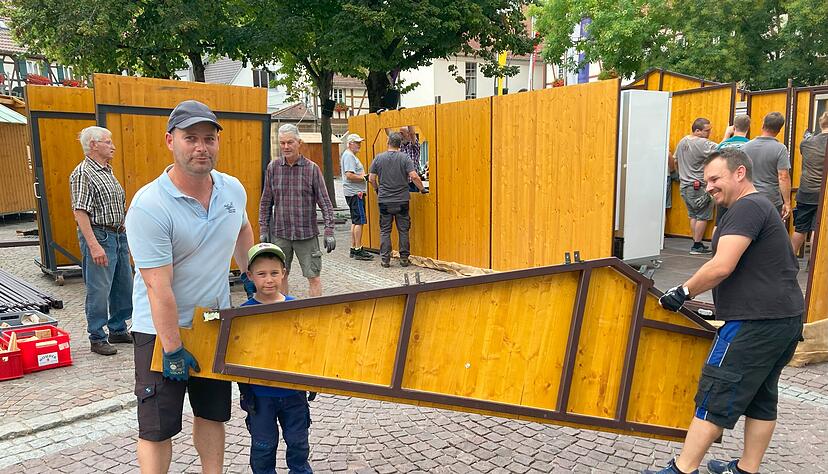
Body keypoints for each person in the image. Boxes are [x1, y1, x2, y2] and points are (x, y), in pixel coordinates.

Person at [645, 148, 804, 474]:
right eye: (706, 181)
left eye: (715, 179)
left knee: (716, 392)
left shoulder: (746, 207)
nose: (709, 187)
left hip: (754, 322)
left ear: (740, 173)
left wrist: (682, 292)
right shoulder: (762, 206)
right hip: (785, 319)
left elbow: (722, 265)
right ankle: (746, 469)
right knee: (762, 398)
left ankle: (682, 469)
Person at [126, 100, 254, 473]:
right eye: (191, 138)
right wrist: (172, 348)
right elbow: (158, 287)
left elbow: (243, 228)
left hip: (212, 321)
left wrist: (251, 276)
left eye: (209, 139)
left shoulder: (232, 189)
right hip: (159, 331)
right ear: (171, 141)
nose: (201, 147)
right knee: (158, 428)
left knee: (212, 414)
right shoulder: (150, 205)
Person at [237, 243, 312, 474]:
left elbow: (309, 345)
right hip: (260, 395)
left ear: (283, 273)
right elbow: (239, 353)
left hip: (293, 392)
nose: (268, 280)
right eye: (261, 274)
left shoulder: (296, 307)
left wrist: (314, 378)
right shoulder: (243, 313)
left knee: (298, 442)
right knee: (263, 446)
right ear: (250, 276)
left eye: (274, 273)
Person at [70, 126, 133, 356]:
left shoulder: (106, 171)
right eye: (108, 142)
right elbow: (80, 212)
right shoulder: (83, 173)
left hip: (118, 235)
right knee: (99, 289)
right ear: (93, 145)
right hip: (100, 236)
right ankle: (97, 337)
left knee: (123, 285)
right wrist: (94, 246)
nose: (113, 146)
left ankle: (118, 328)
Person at [259, 124, 335, 297]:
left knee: (314, 277)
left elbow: (325, 203)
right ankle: (283, 310)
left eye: (290, 142)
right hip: (281, 234)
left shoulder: (312, 169)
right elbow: (265, 202)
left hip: (306, 234)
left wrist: (329, 231)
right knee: (279, 277)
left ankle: (315, 311)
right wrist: (263, 229)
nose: (286, 147)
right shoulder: (273, 168)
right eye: (282, 143)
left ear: (299, 142)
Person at [368, 132, 427, 268]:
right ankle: (404, 259)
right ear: (399, 144)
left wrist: (377, 189)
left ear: (388, 142)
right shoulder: (405, 158)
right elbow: (414, 176)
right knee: (403, 230)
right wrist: (422, 189)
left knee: (385, 231)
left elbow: (371, 178)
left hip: (384, 201)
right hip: (402, 200)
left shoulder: (378, 158)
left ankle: (385, 259)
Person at [675, 118, 718, 255]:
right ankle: (697, 245)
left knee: (693, 215)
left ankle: (696, 242)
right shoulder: (702, 143)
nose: (709, 133)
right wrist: (728, 134)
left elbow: (675, 160)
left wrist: (680, 174)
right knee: (702, 216)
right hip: (698, 186)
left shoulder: (682, 141)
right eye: (707, 130)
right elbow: (722, 149)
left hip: (685, 186)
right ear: (697, 130)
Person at [791, 112, 828, 254]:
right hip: (823, 194)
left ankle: (789, 260)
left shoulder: (806, 143)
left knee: (800, 229)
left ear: (821, 124)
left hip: (805, 192)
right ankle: (812, 263)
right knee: (816, 230)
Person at [742, 112, 791, 219]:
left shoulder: (745, 147)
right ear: (779, 130)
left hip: (748, 197)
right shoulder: (780, 149)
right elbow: (783, 177)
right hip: (771, 200)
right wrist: (787, 203)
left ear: (763, 125)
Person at [340, 133, 373, 261]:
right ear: (350, 144)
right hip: (355, 193)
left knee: (355, 221)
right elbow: (349, 175)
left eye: (360, 143)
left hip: (353, 192)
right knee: (359, 221)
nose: (359, 145)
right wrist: (364, 177)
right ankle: (358, 249)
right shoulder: (349, 156)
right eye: (357, 143)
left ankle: (354, 247)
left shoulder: (349, 155)